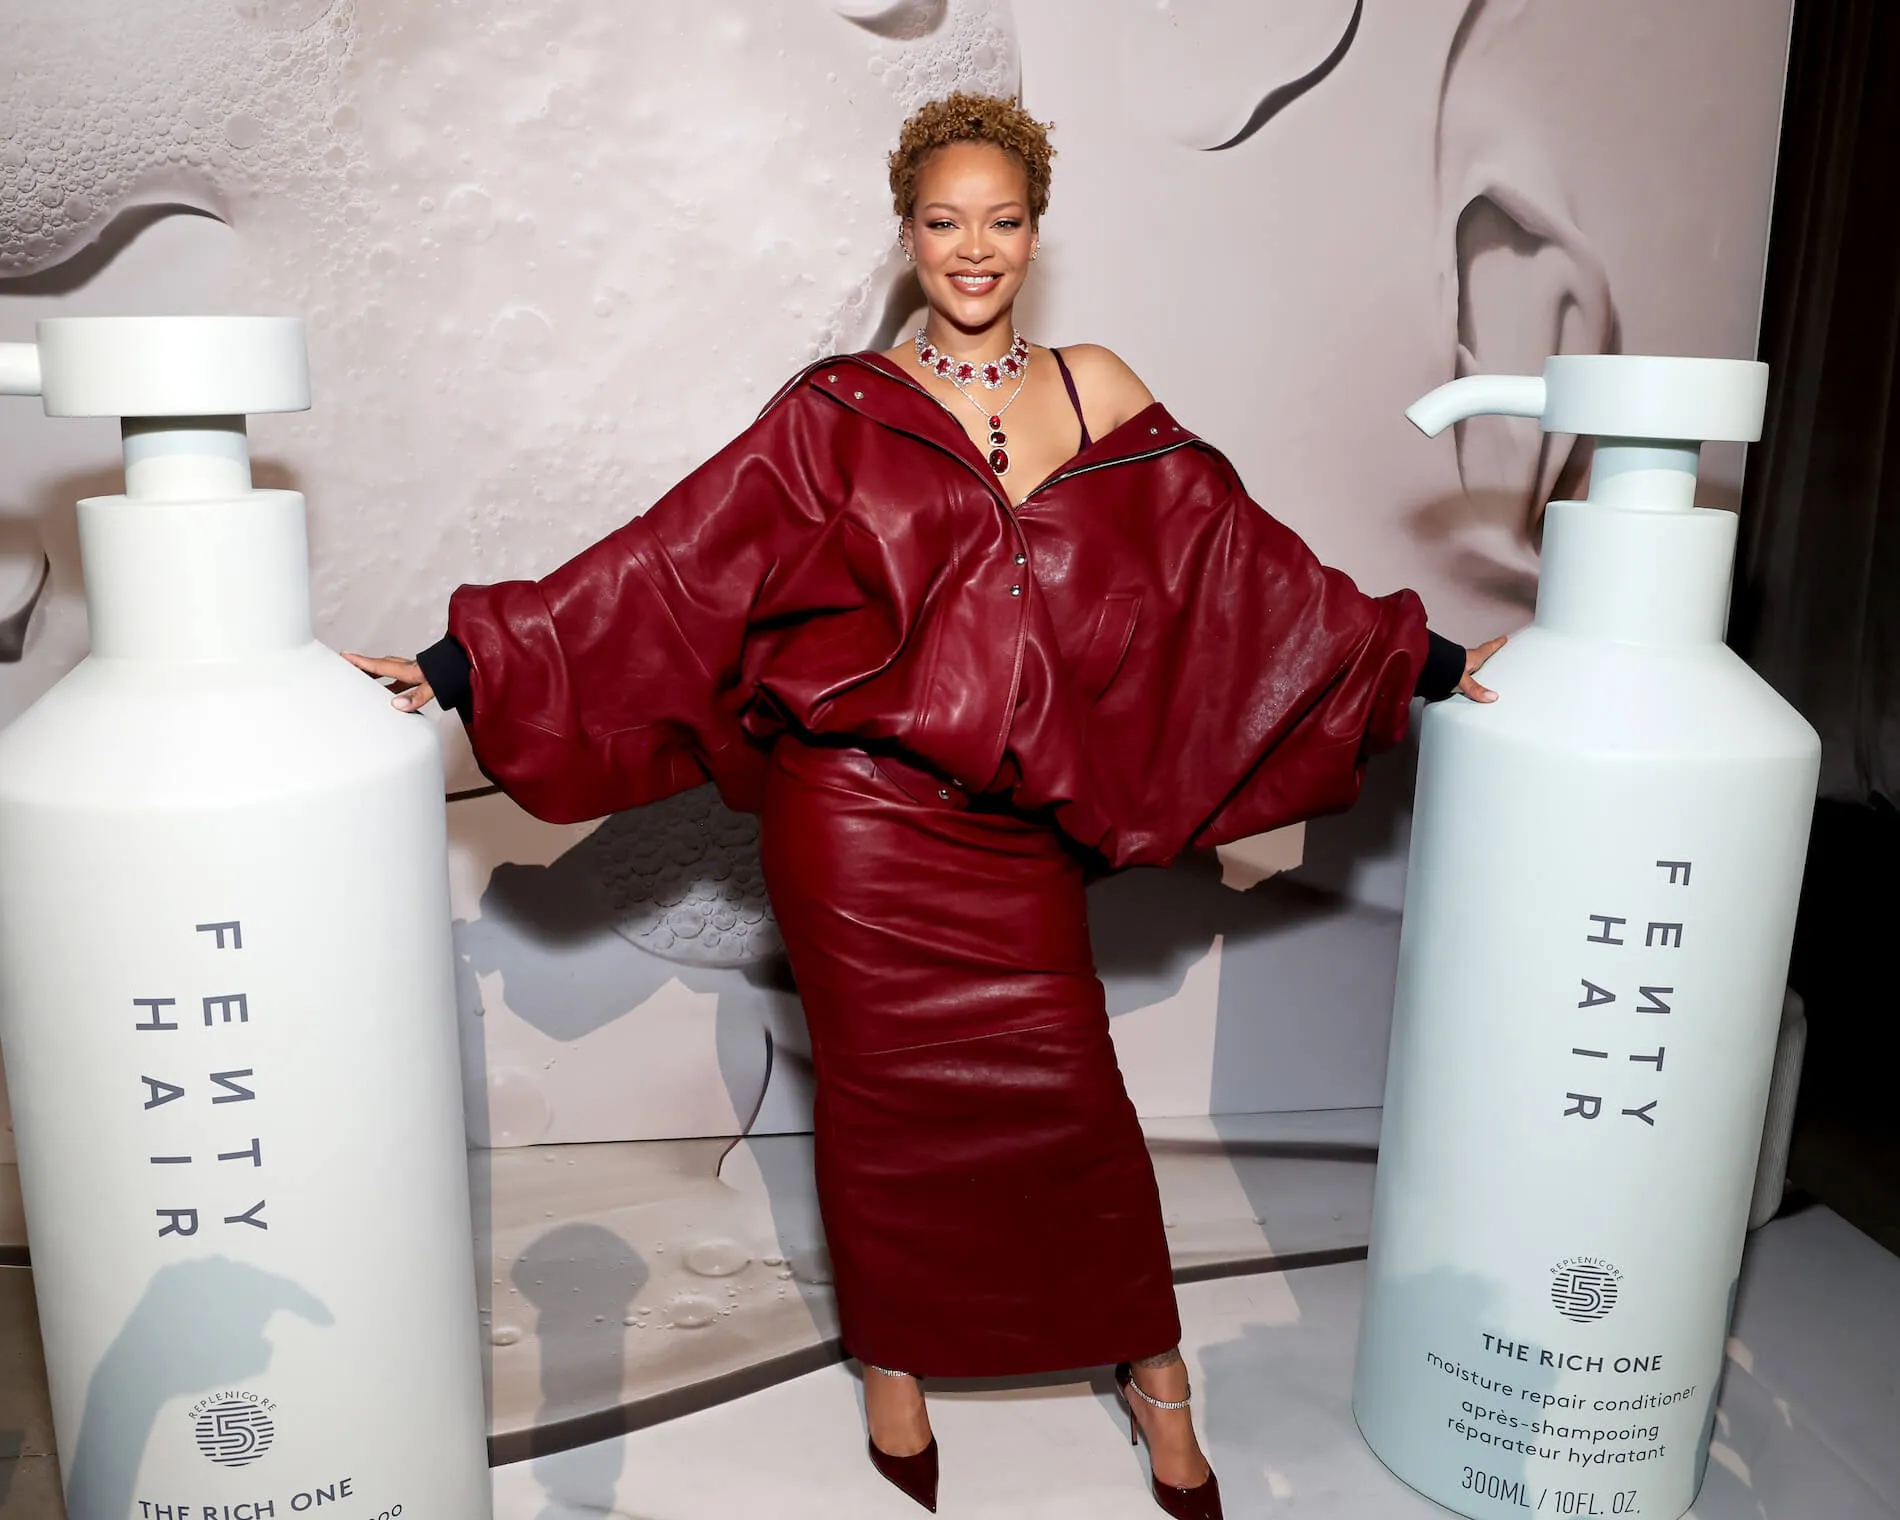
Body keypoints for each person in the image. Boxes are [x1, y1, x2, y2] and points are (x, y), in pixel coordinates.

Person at [347, 92, 1503, 1520]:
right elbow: (674, 562)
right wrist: (468, 661)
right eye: (945, 222)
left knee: (1074, 1105)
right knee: (885, 1115)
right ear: (908, 233)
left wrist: (1428, 659)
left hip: (1011, 838)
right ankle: (894, 1371)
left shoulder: (1098, 391)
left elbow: (1249, 573)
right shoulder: (839, 414)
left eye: (1002, 221)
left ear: (1035, 229)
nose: (975, 250)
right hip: (857, 833)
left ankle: (1160, 1389)